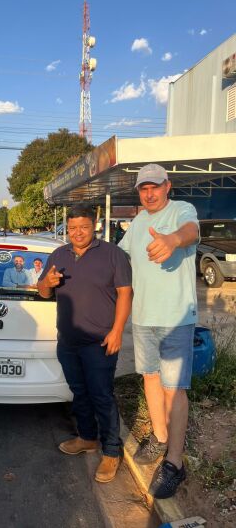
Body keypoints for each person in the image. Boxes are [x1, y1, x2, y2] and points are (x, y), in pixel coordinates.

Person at [119, 163, 199, 499]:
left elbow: (191, 232)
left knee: (173, 389)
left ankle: (175, 463)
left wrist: (173, 239)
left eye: (155, 186)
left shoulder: (182, 210)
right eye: (143, 188)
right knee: (150, 378)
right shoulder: (138, 223)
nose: (149, 193)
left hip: (175, 318)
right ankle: (160, 437)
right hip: (143, 318)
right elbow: (118, 257)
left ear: (168, 186)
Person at [38, 205, 132, 483]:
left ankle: (112, 451)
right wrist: (47, 281)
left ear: (96, 225)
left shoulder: (113, 255)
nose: (78, 233)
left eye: (84, 227)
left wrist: (117, 331)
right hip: (68, 341)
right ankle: (87, 438)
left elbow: (125, 294)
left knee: (102, 395)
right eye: (73, 227)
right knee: (79, 393)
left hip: (100, 341)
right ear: (67, 228)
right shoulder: (58, 254)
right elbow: (43, 291)